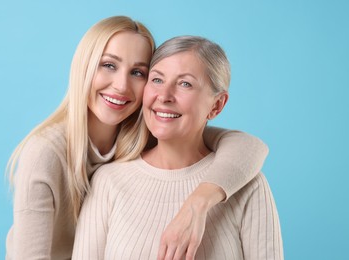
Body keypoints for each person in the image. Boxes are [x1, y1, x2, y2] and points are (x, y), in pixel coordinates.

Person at [6, 16, 269, 260]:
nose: (121, 85)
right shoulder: (46, 153)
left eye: (138, 73)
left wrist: (197, 204)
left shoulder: (145, 132)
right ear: (82, 67)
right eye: (108, 65)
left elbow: (248, 147)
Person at [72, 35, 283, 260]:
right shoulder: (108, 182)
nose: (164, 96)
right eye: (157, 80)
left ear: (217, 105)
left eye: (185, 84)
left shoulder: (246, 185)